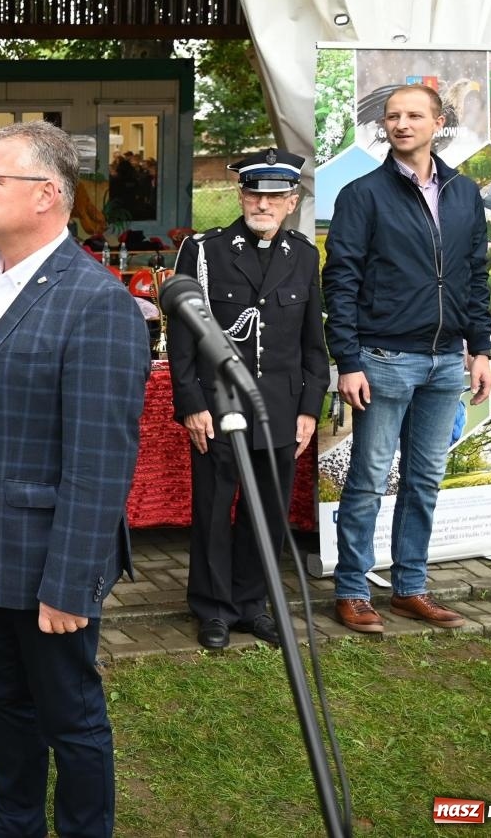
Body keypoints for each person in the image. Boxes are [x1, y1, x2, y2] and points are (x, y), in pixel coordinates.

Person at [0, 120, 146, 838]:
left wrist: (71, 583)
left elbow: (99, 460)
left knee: (70, 716)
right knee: (0, 698)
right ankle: (14, 823)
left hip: (49, 561)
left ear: (48, 196)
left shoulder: (96, 301)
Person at [323, 84, 491, 634]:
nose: (401, 123)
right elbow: (340, 279)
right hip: (384, 358)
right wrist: (347, 360)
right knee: (369, 480)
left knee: (424, 480)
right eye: (393, 116)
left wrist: (481, 348)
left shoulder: (465, 192)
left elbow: (474, 278)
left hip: (447, 361)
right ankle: (352, 589)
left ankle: (410, 588)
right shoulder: (362, 193)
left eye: (413, 115)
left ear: (437, 121)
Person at [169, 148, 327, 650]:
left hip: (280, 406)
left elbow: (311, 343)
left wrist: (309, 409)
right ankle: (213, 608)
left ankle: (252, 604)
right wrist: (191, 402)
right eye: (254, 193)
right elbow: (181, 337)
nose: (263, 203)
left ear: (292, 200)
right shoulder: (205, 251)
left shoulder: (302, 254)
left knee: (268, 512)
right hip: (219, 405)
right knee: (215, 507)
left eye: (275, 195)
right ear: (241, 195)